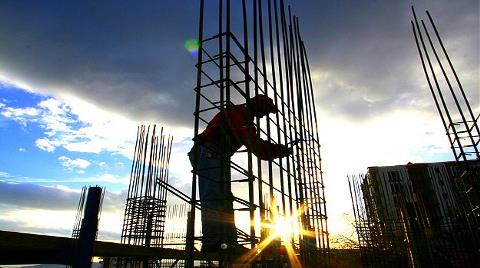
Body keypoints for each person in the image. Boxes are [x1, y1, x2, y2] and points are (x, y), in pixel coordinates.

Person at [188, 94, 292, 254]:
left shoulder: (243, 118)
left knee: (225, 199)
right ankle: (213, 243)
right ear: (258, 107)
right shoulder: (239, 116)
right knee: (213, 196)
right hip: (207, 151)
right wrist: (279, 150)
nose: (264, 116)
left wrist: (277, 150)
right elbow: (256, 146)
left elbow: (255, 143)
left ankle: (228, 242)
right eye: (265, 111)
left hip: (217, 155)